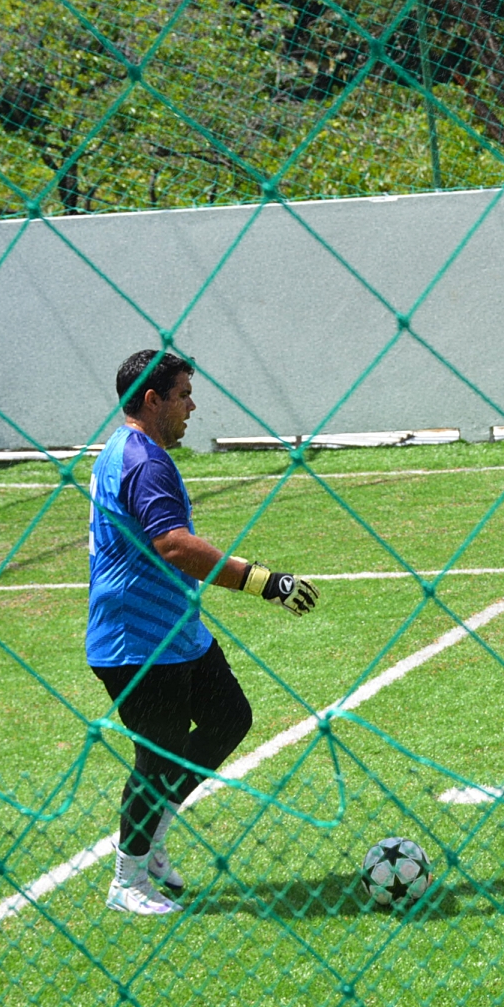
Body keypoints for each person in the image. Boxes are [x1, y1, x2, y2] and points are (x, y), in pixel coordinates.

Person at [86, 349, 319, 914]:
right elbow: (174, 545)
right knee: (158, 757)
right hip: (138, 643)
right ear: (152, 400)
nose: (192, 407)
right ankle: (127, 881)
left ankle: (152, 837)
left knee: (228, 718)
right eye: (184, 395)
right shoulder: (143, 461)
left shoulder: (128, 452)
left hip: (176, 634)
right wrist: (264, 581)